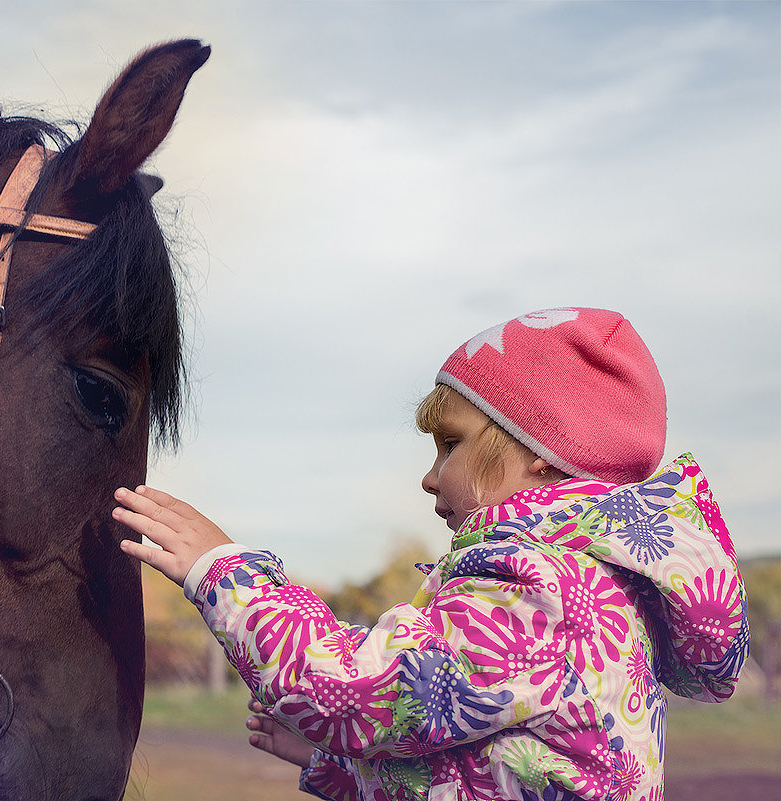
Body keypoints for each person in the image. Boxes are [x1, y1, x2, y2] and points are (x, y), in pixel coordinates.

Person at [113, 307, 747, 801]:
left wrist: (220, 570)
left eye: (450, 444)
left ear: (540, 451)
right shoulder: (606, 585)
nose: (430, 476)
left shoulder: (541, 586)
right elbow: (492, 775)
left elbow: (354, 689)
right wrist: (338, 765)